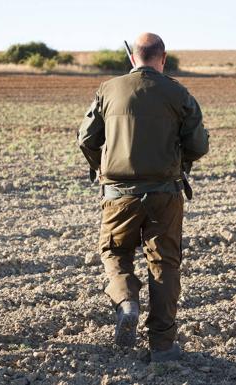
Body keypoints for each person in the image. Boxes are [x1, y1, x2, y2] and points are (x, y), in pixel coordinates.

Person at [78, 32, 209, 362]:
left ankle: (126, 302)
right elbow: (199, 145)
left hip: (118, 194)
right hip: (165, 195)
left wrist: (102, 169)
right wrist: (180, 164)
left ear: (133, 59)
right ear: (163, 59)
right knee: (164, 264)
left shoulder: (108, 90)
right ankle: (163, 347)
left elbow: (86, 139)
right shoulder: (179, 93)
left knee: (115, 251)